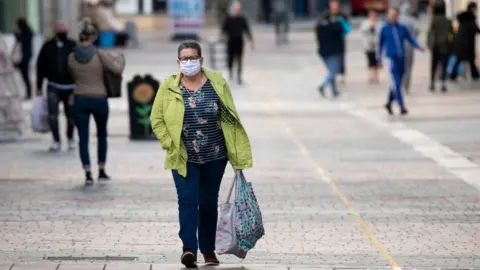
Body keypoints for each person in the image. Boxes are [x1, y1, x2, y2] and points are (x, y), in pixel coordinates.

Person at [150, 40, 253, 268]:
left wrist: (237, 154)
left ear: (201, 60)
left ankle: (207, 250)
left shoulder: (216, 82)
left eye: (192, 58)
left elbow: (230, 117)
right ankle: (189, 248)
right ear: (178, 62)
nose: (189, 62)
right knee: (187, 201)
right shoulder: (169, 87)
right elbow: (156, 119)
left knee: (207, 203)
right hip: (183, 156)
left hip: (215, 156)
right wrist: (169, 143)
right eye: (184, 59)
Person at [68, 20, 125, 186]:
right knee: (101, 135)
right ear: (93, 37)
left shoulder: (71, 57)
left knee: (83, 138)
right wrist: (120, 58)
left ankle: (87, 173)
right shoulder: (99, 54)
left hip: (79, 98)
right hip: (99, 98)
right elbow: (117, 70)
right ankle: (101, 170)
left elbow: (71, 75)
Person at [36, 22, 77, 152]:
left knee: (71, 115)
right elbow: (40, 66)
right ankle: (56, 140)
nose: (62, 30)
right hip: (53, 86)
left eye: (64, 28)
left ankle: (70, 138)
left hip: (70, 87)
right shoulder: (48, 47)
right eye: (59, 28)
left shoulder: (73, 46)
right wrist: (39, 85)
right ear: (55, 30)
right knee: (52, 115)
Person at [377, 7, 425, 115]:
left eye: (395, 15)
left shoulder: (402, 28)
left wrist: (418, 46)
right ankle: (402, 106)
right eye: (391, 15)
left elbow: (410, 39)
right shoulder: (384, 28)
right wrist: (378, 59)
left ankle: (389, 102)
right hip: (391, 58)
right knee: (396, 83)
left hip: (401, 58)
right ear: (388, 15)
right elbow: (379, 45)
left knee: (397, 82)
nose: (393, 17)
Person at [221, 1, 254, 85]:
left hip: (239, 42)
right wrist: (222, 37)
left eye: (238, 9)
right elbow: (223, 29)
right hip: (230, 42)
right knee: (230, 58)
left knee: (239, 59)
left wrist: (251, 40)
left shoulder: (242, 19)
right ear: (233, 9)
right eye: (235, 9)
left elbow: (247, 30)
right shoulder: (228, 18)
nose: (237, 11)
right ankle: (230, 72)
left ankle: (239, 76)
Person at [316, 12, 345, 98]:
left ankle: (334, 91)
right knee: (333, 72)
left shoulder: (320, 27)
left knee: (331, 72)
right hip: (333, 52)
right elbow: (342, 31)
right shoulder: (335, 25)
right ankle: (322, 86)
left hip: (323, 53)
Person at [427, 1, 454, 92]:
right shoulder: (448, 20)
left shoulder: (434, 20)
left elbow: (430, 33)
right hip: (445, 46)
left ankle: (432, 83)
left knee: (434, 65)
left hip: (436, 46)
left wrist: (429, 44)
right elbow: (451, 34)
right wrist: (451, 44)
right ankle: (443, 83)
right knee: (444, 65)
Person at [450, 2, 480, 81]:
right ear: (472, 8)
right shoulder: (471, 18)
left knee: (459, 59)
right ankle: (475, 75)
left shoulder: (462, 18)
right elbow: (475, 29)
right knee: (470, 60)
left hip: (460, 42)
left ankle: (453, 75)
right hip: (468, 43)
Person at [325, 0, 351, 85]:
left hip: (340, 40)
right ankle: (332, 74)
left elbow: (348, 27)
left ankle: (342, 75)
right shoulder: (327, 16)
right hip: (330, 41)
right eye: (332, 5)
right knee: (332, 58)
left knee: (340, 57)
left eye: (335, 5)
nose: (334, 7)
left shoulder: (342, 16)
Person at [400, 4, 421, 93]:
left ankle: (399, 85)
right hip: (409, 47)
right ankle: (406, 86)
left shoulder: (398, 20)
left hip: (399, 47)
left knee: (400, 67)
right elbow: (418, 30)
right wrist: (414, 38)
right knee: (408, 67)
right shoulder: (412, 20)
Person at [12, 18, 33, 100]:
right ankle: (26, 92)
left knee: (25, 75)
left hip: (24, 57)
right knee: (23, 75)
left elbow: (21, 40)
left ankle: (29, 92)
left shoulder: (27, 32)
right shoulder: (24, 32)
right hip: (21, 57)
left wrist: (16, 34)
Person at [361, 9, 381, 84]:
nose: (373, 16)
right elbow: (363, 31)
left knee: (376, 61)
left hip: (376, 45)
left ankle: (376, 76)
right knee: (370, 61)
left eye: (374, 14)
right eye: (371, 14)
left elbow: (380, 33)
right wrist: (370, 26)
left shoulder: (379, 23)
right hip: (368, 45)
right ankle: (370, 76)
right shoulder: (365, 23)